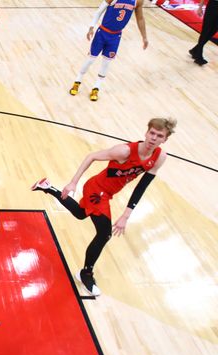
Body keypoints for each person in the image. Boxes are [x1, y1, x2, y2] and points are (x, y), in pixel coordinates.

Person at [31, 117, 175, 297]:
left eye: (159, 135)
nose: (153, 138)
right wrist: (73, 182)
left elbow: (141, 186)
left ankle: (48, 187)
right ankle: (85, 273)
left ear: (165, 139)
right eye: (151, 133)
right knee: (104, 233)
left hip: (108, 193)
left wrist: (126, 215)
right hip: (96, 189)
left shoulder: (159, 157)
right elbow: (91, 156)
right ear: (146, 132)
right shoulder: (124, 151)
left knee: (80, 213)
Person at [69, 0, 148, 101]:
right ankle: (77, 81)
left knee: (106, 63)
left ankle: (96, 88)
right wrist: (91, 27)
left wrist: (144, 37)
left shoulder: (138, 1)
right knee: (91, 60)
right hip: (102, 32)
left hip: (116, 36)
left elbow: (140, 19)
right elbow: (99, 11)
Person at [189, 0, 218, 66]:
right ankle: (199, 56)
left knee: (213, 30)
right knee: (206, 30)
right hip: (213, 5)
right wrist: (200, 7)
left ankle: (194, 50)